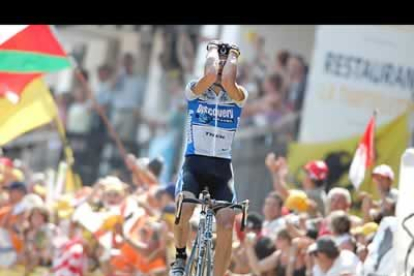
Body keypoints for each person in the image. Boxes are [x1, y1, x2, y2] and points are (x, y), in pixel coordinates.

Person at [171, 40, 248, 276]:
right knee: (184, 208)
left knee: (227, 224)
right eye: (218, 63)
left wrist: (233, 53)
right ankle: (180, 257)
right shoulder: (195, 89)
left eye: (227, 64)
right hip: (194, 164)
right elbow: (212, 73)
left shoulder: (239, 95)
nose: (221, 68)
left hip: (221, 169)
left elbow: (226, 80)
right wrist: (214, 48)